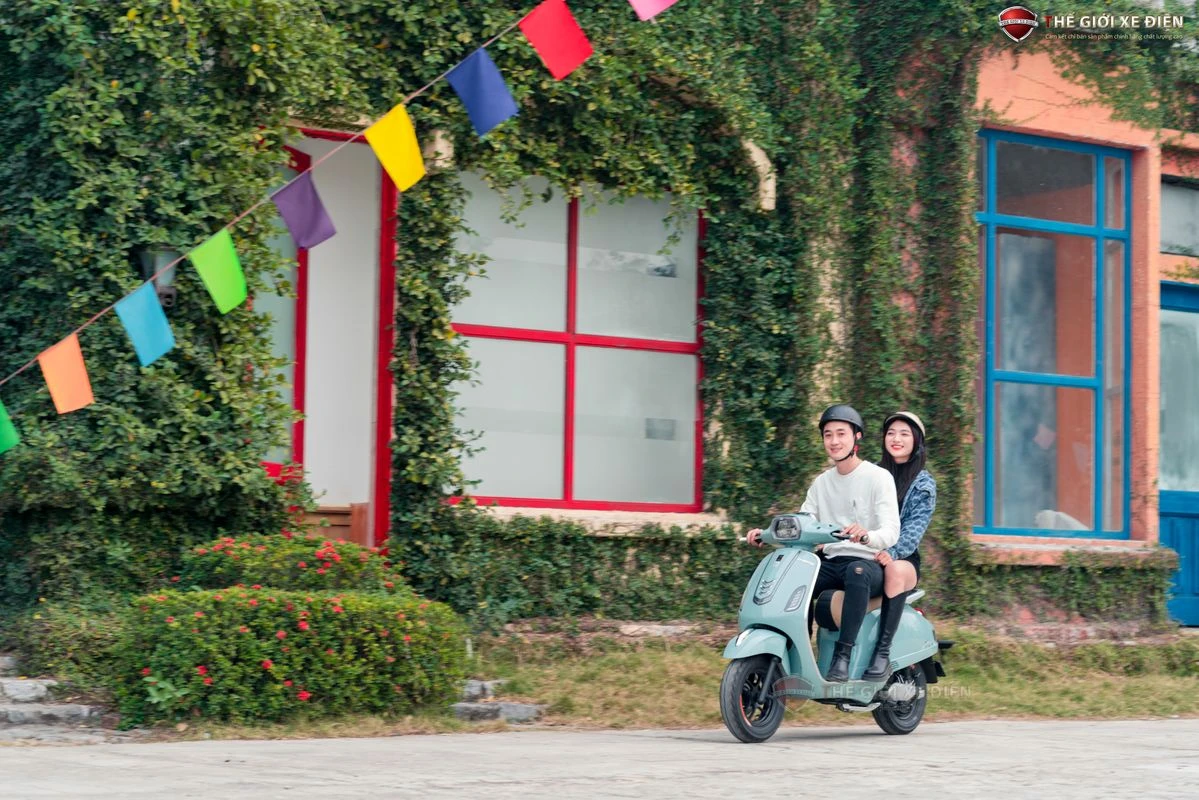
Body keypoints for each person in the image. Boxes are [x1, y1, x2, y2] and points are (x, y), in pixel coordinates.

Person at [747, 404, 900, 682]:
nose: (834, 441)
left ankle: (843, 655)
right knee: (794, 575)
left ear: (857, 436)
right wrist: (765, 534)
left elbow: (891, 531)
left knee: (856, 572)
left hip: (867, 563)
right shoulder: (821, 483)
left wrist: (867, 535)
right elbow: (803, 523)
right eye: (828, 435)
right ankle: (796, 649)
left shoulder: (878, 477)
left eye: (841, 433)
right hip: (831, 561)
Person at [862, 411, 937, 682]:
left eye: (904, 434)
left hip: (902, 558)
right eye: (891, 433)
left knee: (893, 570)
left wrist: (891, 552)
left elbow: (913, 532)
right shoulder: (870, 474)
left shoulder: (924, 484)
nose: (896, 438)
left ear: (916, 441)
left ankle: (882, 654)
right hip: (866, 551)